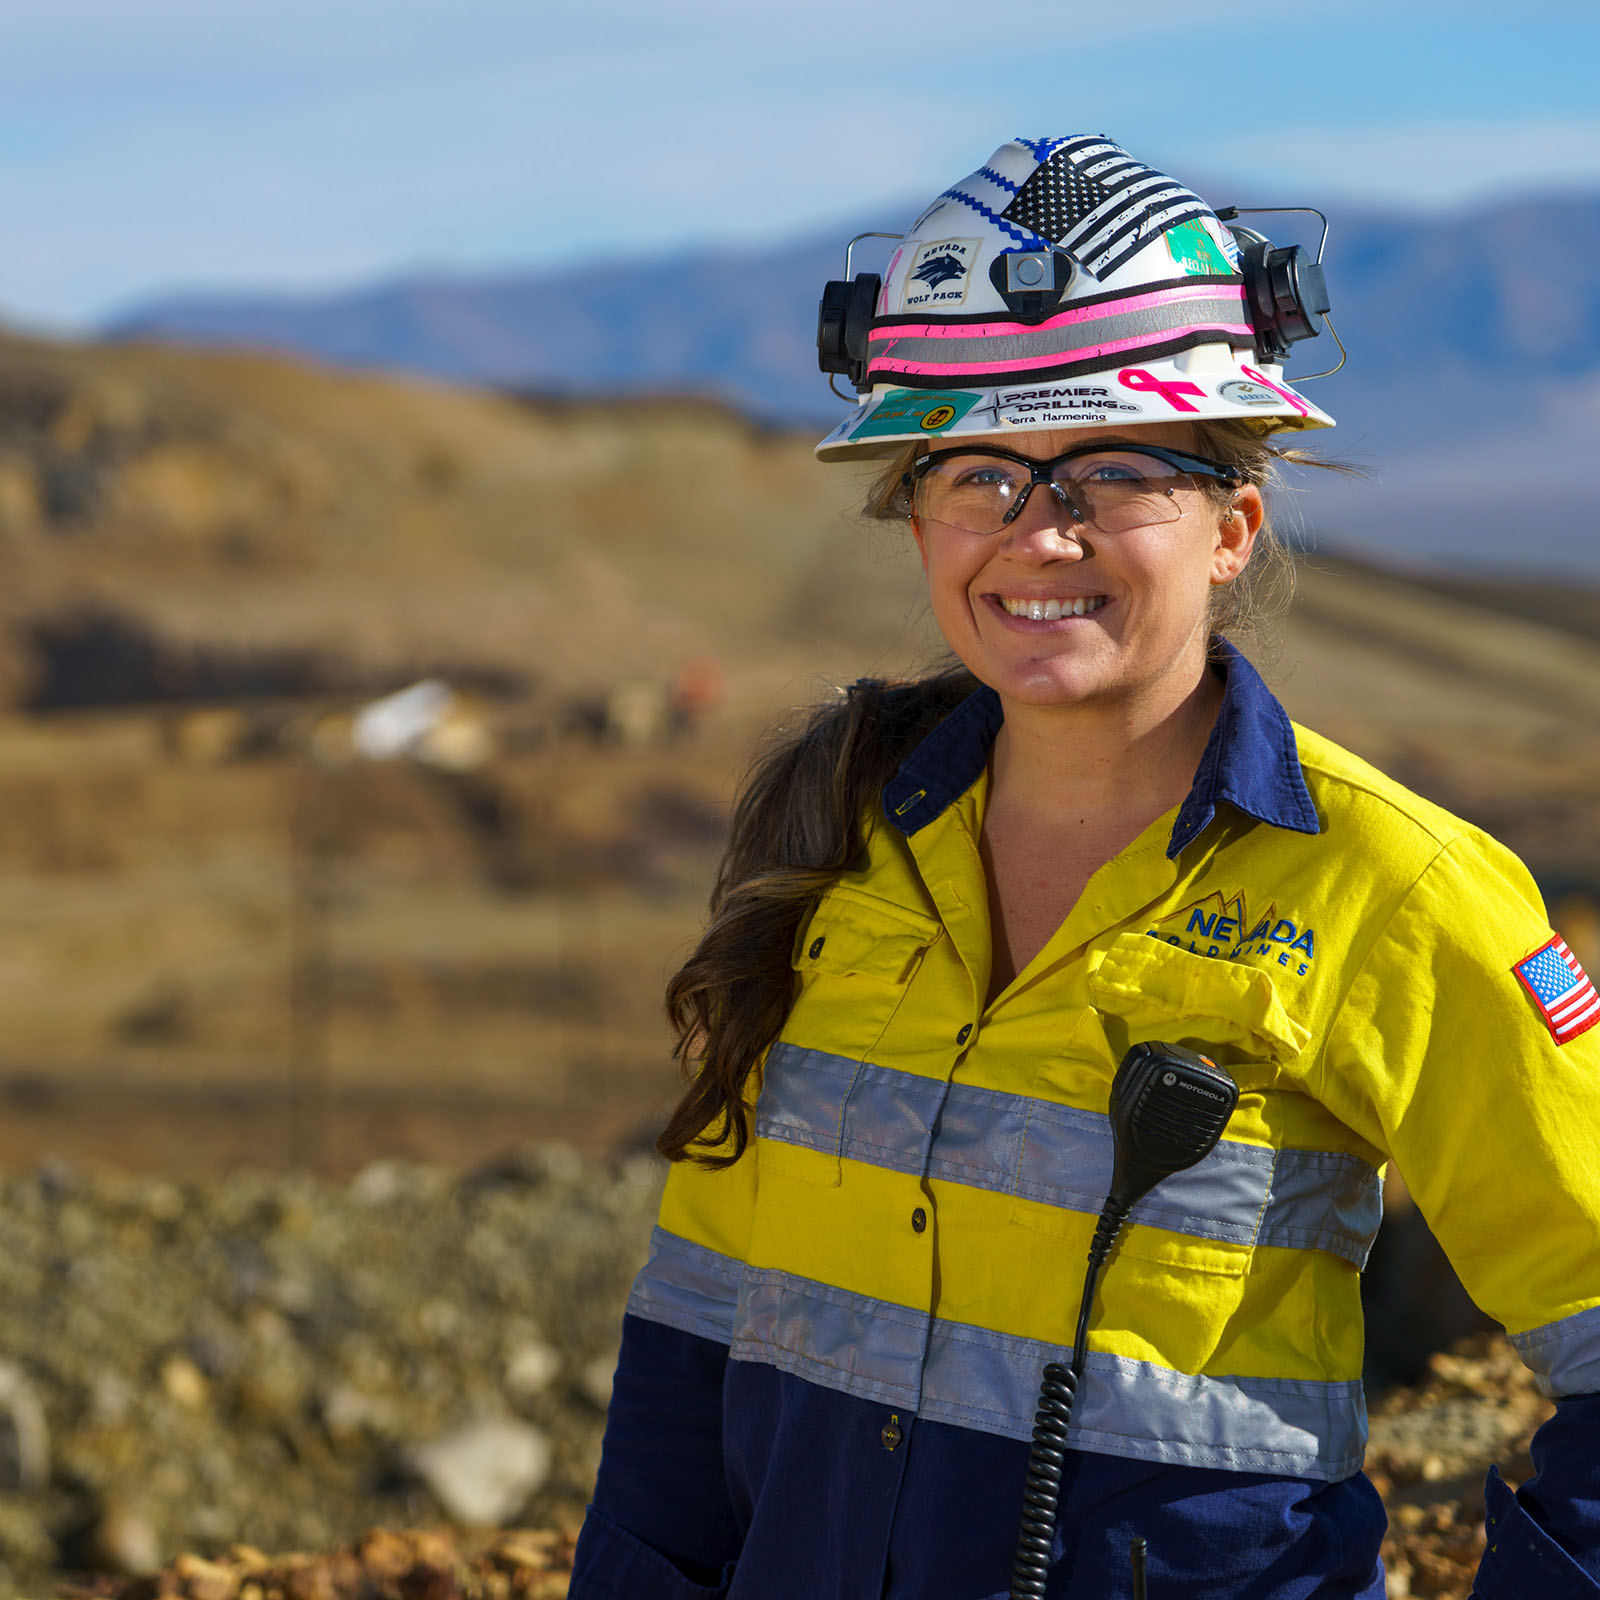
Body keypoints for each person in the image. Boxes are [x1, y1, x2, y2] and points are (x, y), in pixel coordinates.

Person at [569, 136, 1600, 1599]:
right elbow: (694, 1348)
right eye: (977, 474)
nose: (1036, 533)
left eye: (1114, 473)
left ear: (1233, 525)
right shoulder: (835, 854)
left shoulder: (1396, 889)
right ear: (915, 517)